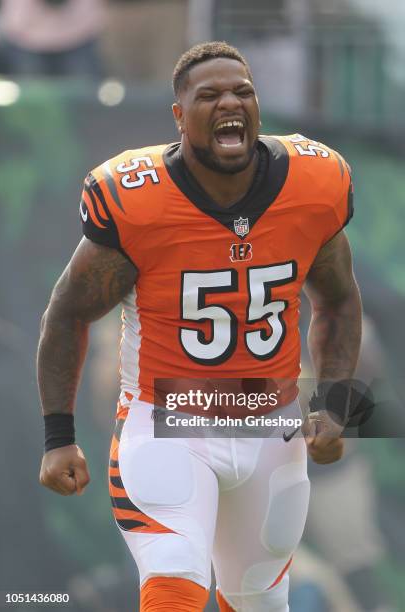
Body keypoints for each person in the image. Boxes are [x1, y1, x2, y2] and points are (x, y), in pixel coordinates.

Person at [37, 41, 362, 611]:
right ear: (179, 115)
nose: (229, 103)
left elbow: (338, 301)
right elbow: (67, 314)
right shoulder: (137, 198)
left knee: (261, 601)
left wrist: (337, 405)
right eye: (208, 95)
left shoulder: (315, 182)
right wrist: (58, 437)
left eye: (243, 91)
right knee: (174, 589)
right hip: (169, 425)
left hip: (271, 430)